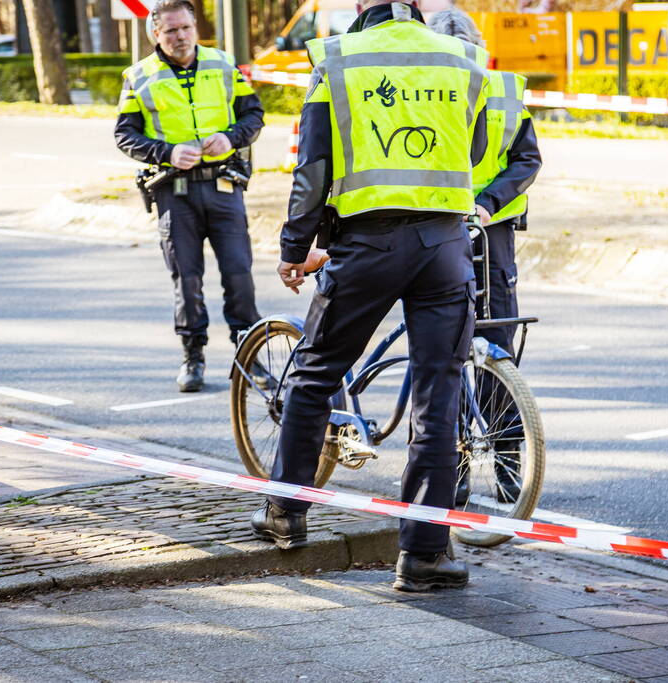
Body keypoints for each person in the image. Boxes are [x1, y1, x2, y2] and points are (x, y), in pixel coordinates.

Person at [249, 0, 490, 592]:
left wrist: (294, 244)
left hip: (368, 245)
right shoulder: (463, 57)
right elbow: (478, 149)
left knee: (315, 372)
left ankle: (286, 515)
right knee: (439, 392)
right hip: (444, 245)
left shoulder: (338, 58)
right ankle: (425, 556)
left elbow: (312, 166)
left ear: (362, 7)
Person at [115, 0, 265, 392]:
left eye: (185, 28)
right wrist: (167, 153)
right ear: (155, 34)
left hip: (223, 184)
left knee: (239, 274)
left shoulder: (223, 64)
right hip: (174, 192)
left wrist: (230, 138)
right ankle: (193, 356)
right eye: (171, 31)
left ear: (194, 26)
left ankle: (248, 354)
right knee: (186, 279)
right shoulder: (139, 76)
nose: (180, 37)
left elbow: (254, 115)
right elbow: (124, 134)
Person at [429, 9, 542, 507]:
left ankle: (508, 462)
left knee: (494, 345)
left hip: (489, 232)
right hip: (435, 229)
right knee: (440, 346)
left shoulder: (504, 91)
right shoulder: (422, 91)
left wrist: (487, 202)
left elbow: (527, 159)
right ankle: (448, 466)